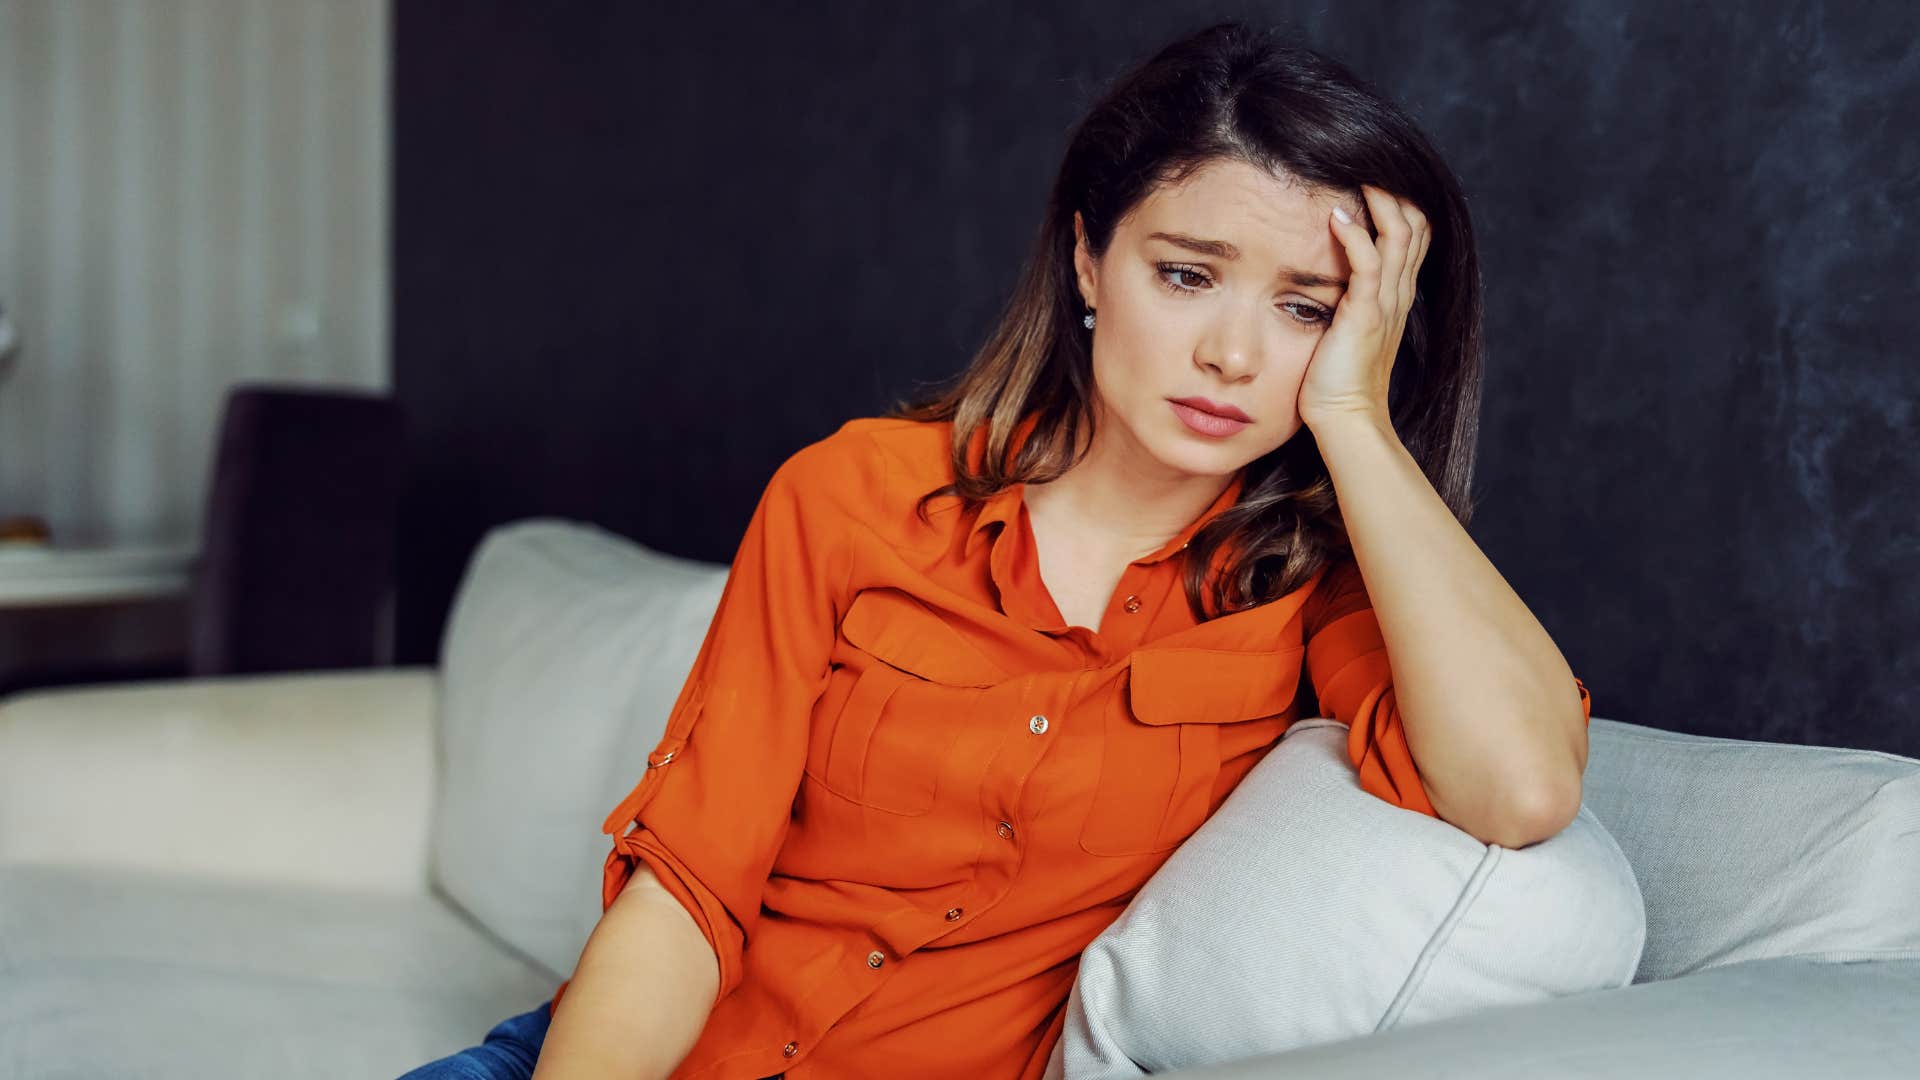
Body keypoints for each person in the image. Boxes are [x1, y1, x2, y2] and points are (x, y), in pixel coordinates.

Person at [401, 18, 1592, 1080]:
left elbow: (1521, 787)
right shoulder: (854, 494)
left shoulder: (1312, 594)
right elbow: (690, 891)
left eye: (1306, 308)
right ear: (1088, 261)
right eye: (1186, 275)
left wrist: (1353, 420)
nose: (1233, 354)